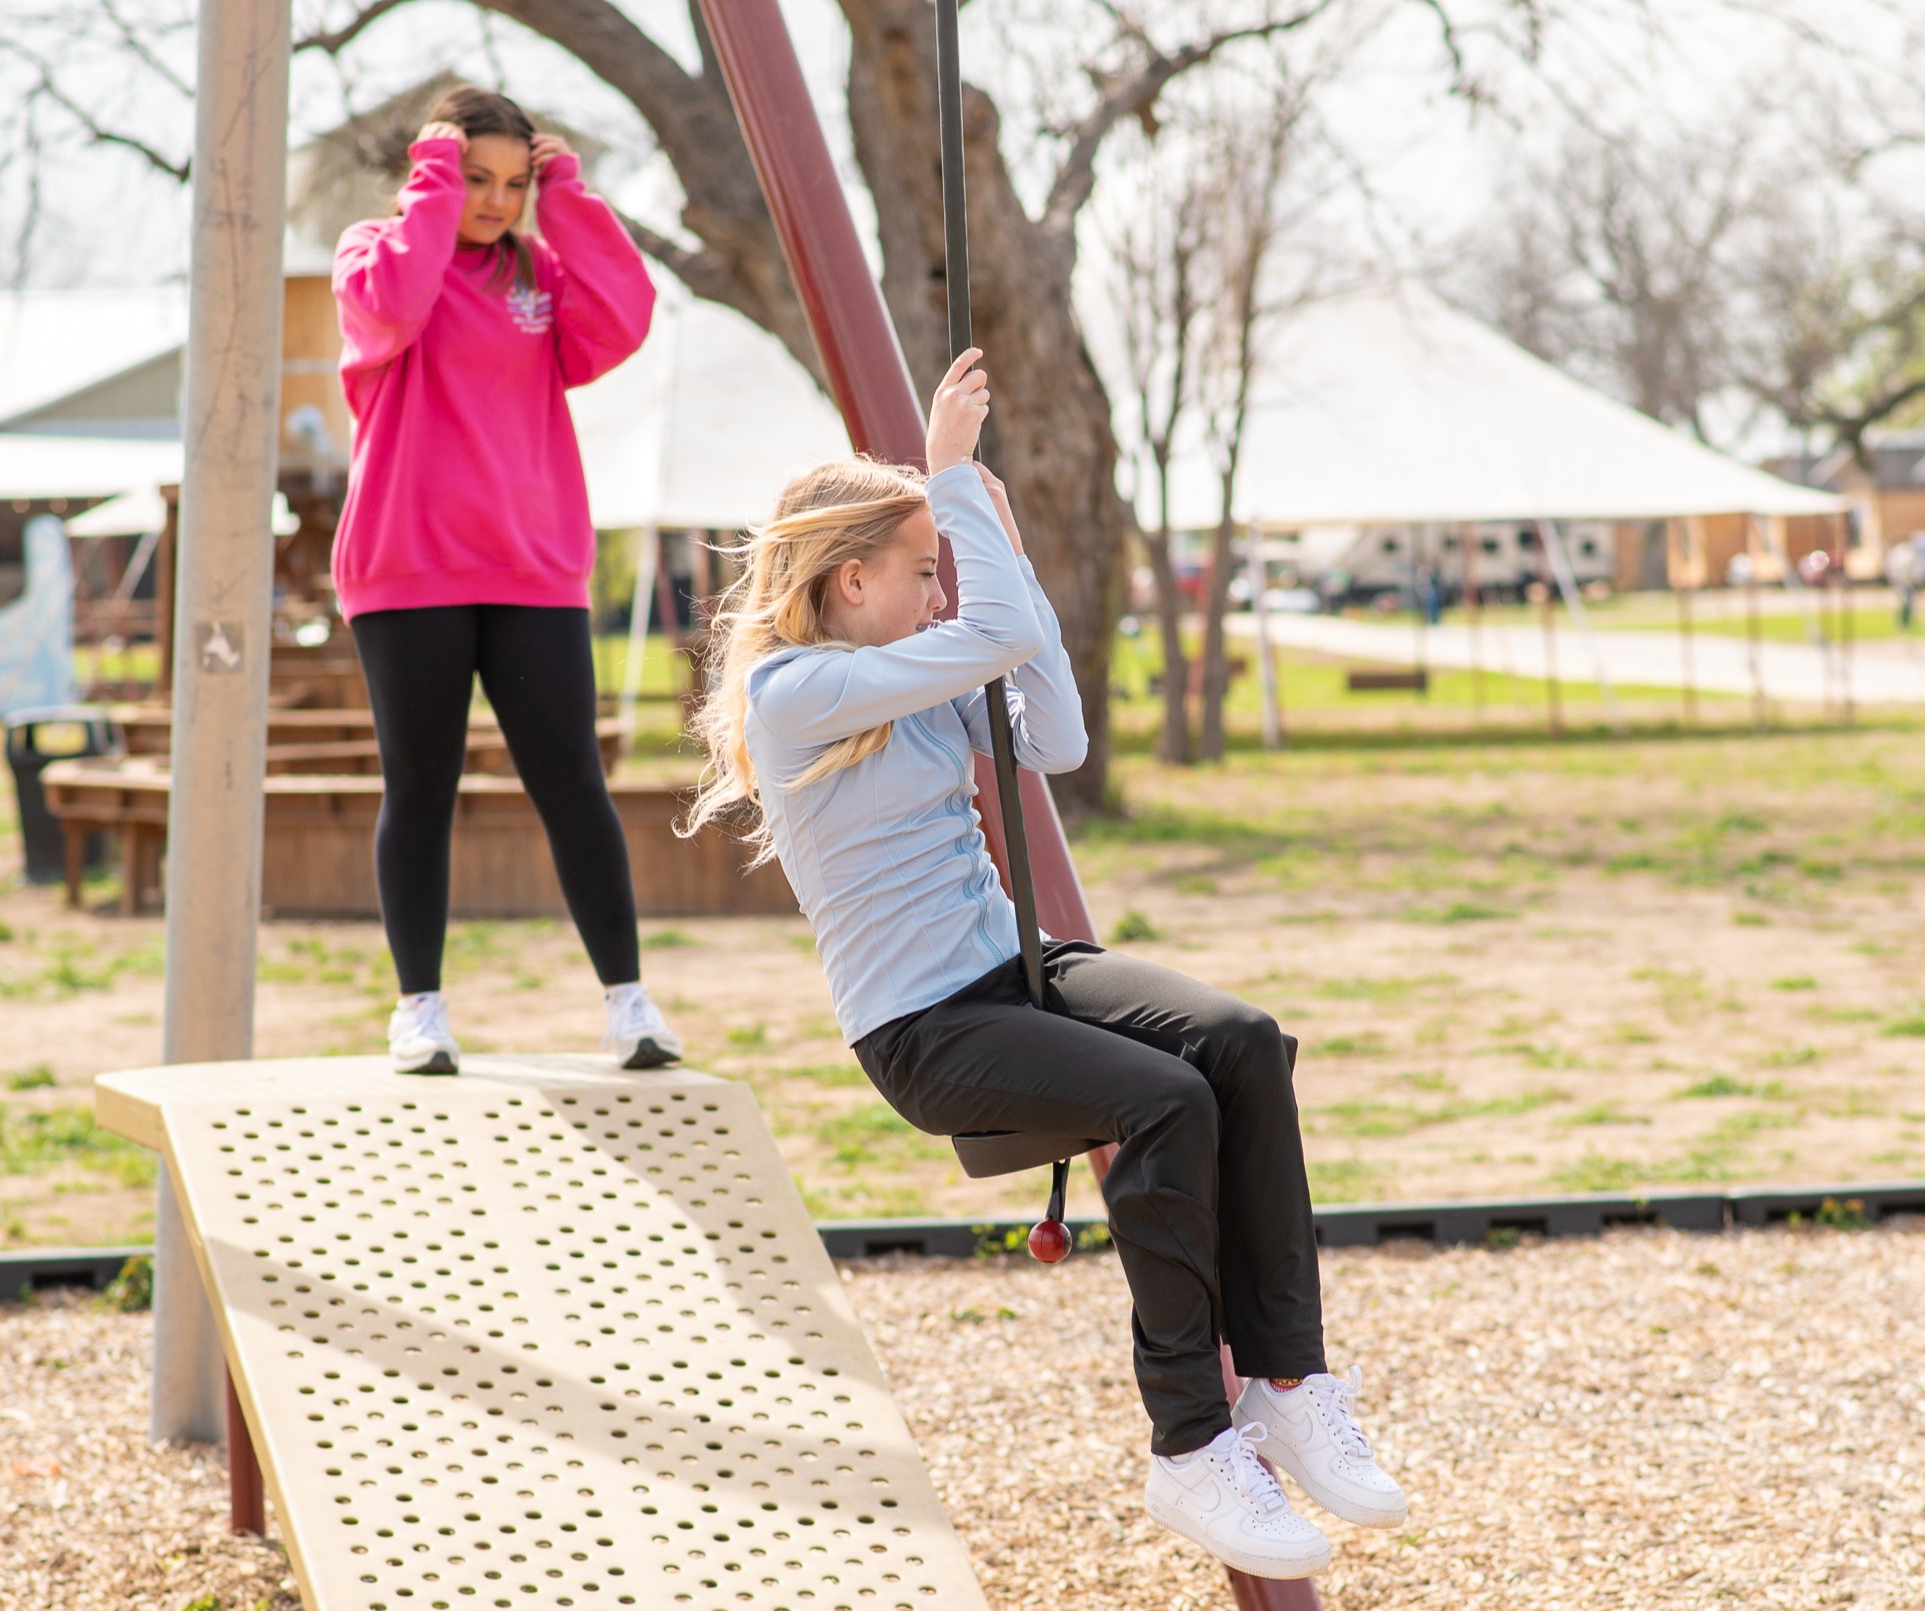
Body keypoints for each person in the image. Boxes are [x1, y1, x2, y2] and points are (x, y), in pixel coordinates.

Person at [682, 349, 1406, 1581]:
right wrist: (955, 479)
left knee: (1237, 1042)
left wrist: (986, 535)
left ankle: (1286, 1380)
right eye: (921, 572)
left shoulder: (914, 679)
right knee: (1162, 1098)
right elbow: (997, 633)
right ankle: (1188, 1445)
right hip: (923, 1029)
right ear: (851, 578)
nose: (936, 591)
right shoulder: (795, 689)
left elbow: (1054, 735)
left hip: (1019, 967)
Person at [331, 85, 680, 1075]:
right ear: (432, 172)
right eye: (474, 179)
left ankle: (630, 1006)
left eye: (511, 183)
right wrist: (431, 189)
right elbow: (392, 312)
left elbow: (624, 317)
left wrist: (565, 196)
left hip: (532, 566)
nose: (492, 200)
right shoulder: (375, 254)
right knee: (422, 786)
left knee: (573, 780)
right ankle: (420, 1010)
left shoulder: (537, 270)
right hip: (409, 565)